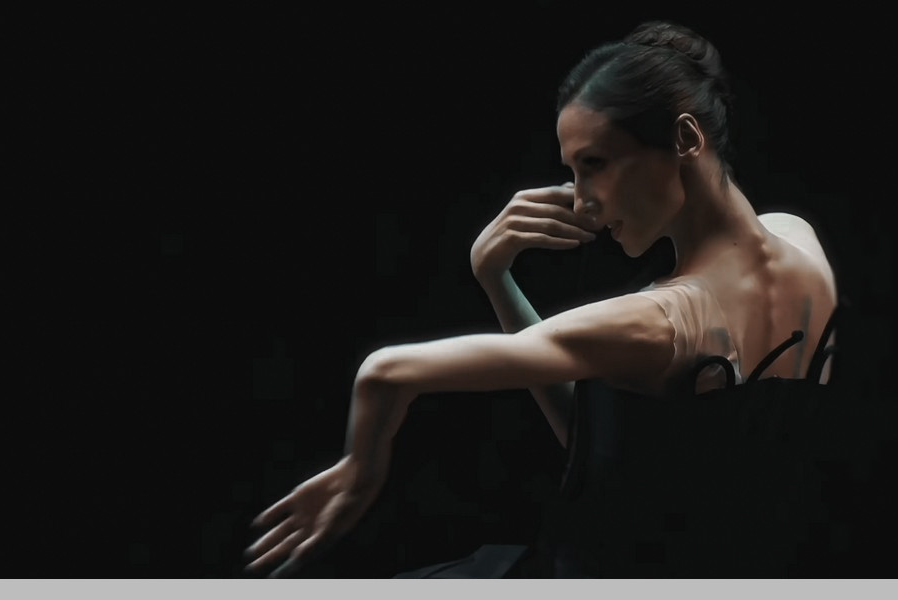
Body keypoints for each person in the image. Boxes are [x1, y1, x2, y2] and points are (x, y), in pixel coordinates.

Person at [242, 20, 837, 578]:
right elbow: (602, 450)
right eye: (574, 172)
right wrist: (496, 278)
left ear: (685, 137)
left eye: (595, 164)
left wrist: (360, 469)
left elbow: (384, 373)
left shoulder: (660, 321)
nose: (581, 201)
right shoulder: (799, 240)